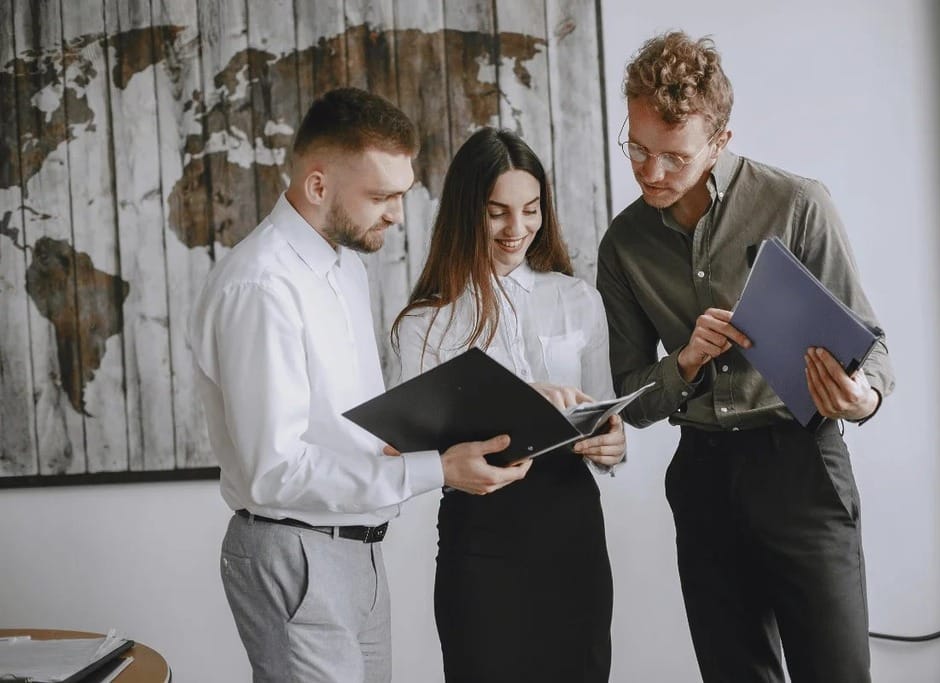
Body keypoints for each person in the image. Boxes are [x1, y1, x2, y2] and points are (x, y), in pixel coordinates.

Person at [187, 88, 530, 683]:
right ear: (318, 185)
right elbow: (275, 470)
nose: (398, 214)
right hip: (295, 551)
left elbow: (339, 426)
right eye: (381, 196)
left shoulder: (344, 265)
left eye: (401, 194)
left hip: (358, 548)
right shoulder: (261, 287)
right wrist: (436, 469)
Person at [596, 32, 895, 683]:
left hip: (802, 465)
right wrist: (684, 362)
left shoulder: (798, 204)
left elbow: (872, 348)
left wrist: (861, 396)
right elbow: (631, 399)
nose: (650, 172)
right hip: (703, 475)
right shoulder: (623, 244)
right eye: (637, 148)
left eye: (674, 157)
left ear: (720, 141)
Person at [391, 127, 626, 683]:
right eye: (497, 213)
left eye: (531, 209)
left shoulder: (578, 299)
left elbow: (602, 414)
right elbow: (413, 450)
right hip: (481, 537)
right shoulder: (425, 322)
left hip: (573, 528)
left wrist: (614, 445)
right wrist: (522, 403)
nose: (516, 229)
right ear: (465, 212)